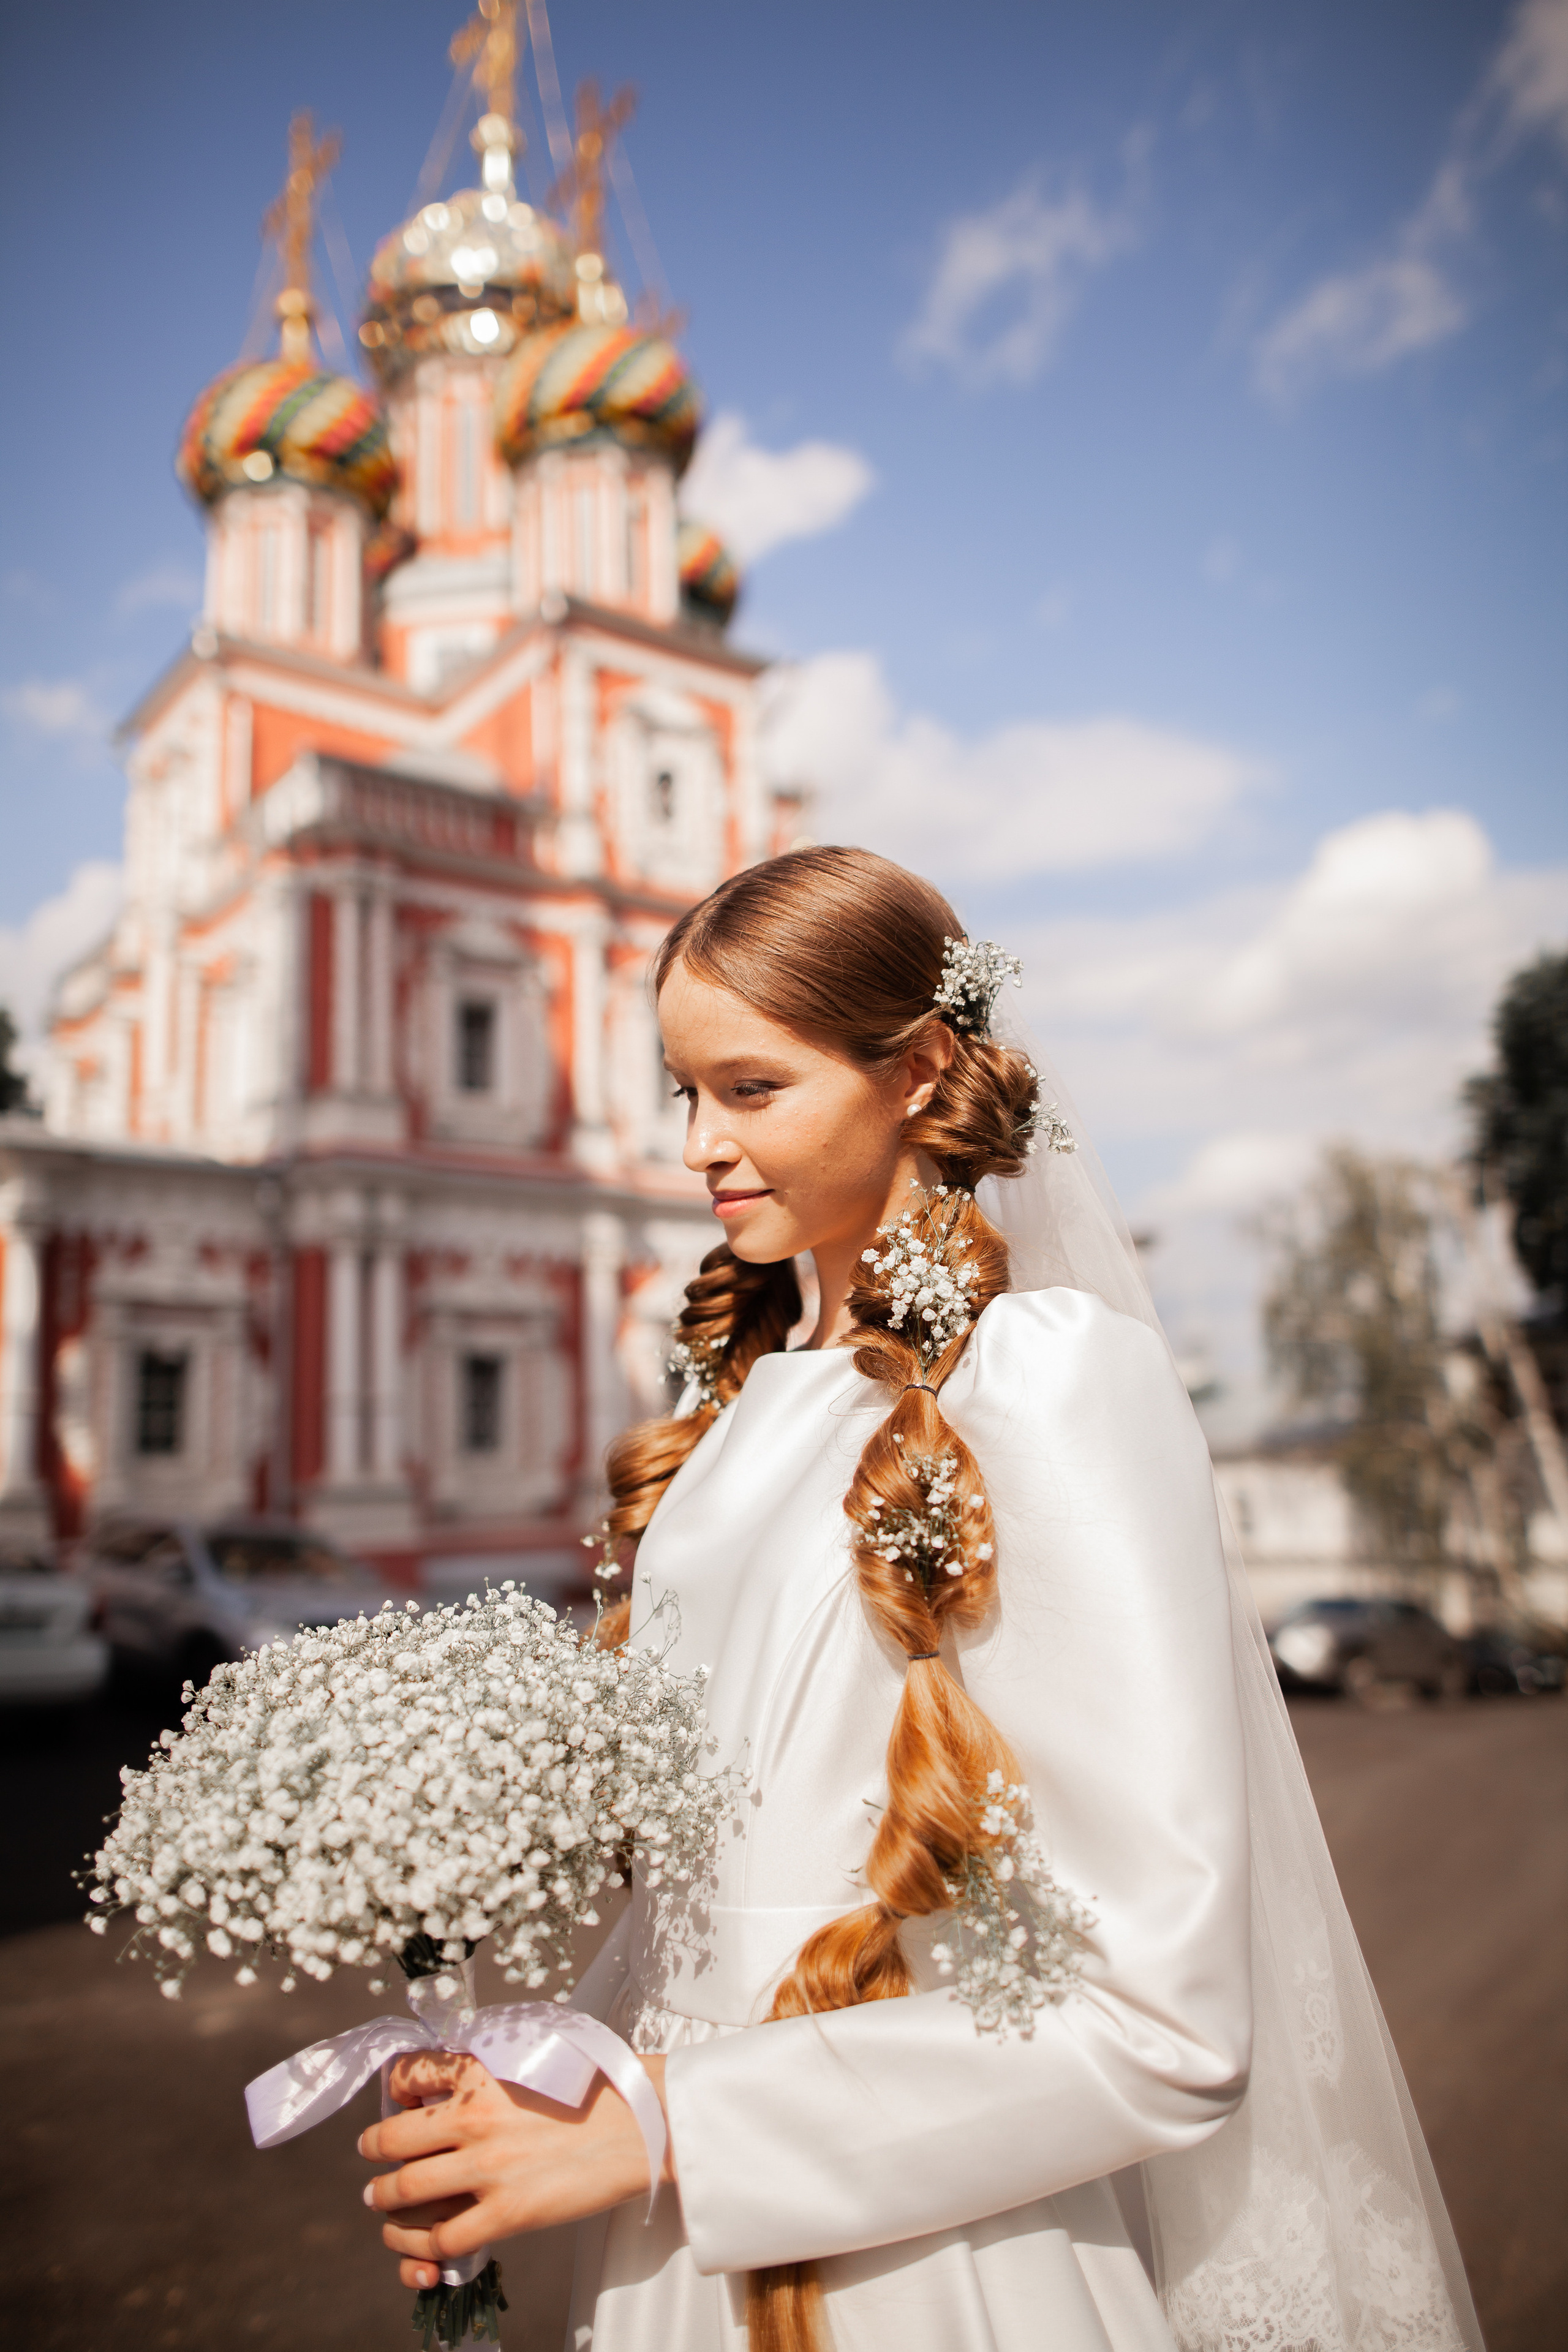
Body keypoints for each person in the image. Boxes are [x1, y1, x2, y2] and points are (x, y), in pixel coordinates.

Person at [360, 848, 1482, 2352]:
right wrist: (543, 2086)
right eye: (682, 1092)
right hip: (658, 2251)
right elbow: (711, 1896)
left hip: (922, 2259)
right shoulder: (726, 1408)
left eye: (751, 1091)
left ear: (921, 1067)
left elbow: (1160, 2018)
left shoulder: (1048, 1381)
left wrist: (675, 2129)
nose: (700, 1144)